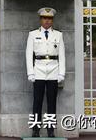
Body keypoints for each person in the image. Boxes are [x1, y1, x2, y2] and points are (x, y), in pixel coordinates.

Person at [26, 7, 65, 138]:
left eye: (49, 18)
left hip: (54, 70)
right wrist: (30, 73)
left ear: (52, 20)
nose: (47, 21)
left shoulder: (58, 35)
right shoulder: (33, 34)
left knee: (52, 102)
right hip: (38, 70)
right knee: (37, 101)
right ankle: (35, 129)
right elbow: (28, 55)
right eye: (45, 18)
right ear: (40, 19)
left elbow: (62, 55)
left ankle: (50, 130)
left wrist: (61, 73)